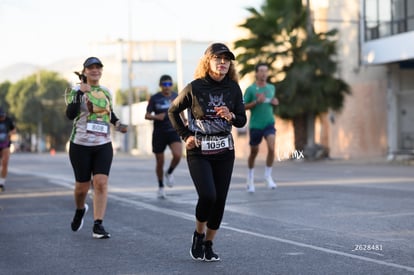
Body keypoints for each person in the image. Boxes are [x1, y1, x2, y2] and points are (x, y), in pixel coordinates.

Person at [168, 43, 247, 261]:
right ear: (207, 62)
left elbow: (242, 120)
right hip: (199, 150)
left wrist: (231, 115)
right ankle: (198, 233)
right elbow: (173, 110)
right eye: (218, 59)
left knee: (220, 200)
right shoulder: (195, 87)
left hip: (224, 150)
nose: (222, 63)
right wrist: (186, 136)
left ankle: (209, 243)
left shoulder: (233, 88)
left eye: (226, 59)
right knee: (208, 195)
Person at [65, 57, 127, 239]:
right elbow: (70, 115)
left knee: (100, 183)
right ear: (84, 71)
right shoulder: (75, 90)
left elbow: (110, 113)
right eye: (90, 68)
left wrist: (118, 123)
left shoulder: (106, 92)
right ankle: (79, 209)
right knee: (81, 188)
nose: (94, 70)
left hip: (103, 144)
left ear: (101, 70)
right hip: (80, 145)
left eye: (97, 67)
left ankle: (98, 224)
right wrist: (80, 94)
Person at [145, 75, 183, 199]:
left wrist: (184, 120)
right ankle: (161, 186)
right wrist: (156, 117)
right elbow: (147, 115)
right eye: (165, 84)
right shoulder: (155, 98)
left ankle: (170, 172)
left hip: (173, 131)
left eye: (169, 84)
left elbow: (180, 109)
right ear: (160, 85)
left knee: (178, 155)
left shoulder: (176, 96)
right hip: (159, 133)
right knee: (160, 161)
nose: (167, 87)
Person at [244, 62, 279, 193]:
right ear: (257, 73)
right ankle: (250, 178)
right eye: (262, 71)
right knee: (254, 152)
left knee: (271, 147)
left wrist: (275, 102)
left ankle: (267, 176)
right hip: (255, 125)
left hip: (269, 123)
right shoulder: (251, 89)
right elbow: (242, 106)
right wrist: (255, 102)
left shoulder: (271, 88)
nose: (264, 73)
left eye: (266, 71)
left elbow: (272, 101)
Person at [0, 107, 16, 192]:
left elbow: (14, 130)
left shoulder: (8, 120)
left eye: (3, 116)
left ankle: (1, 183)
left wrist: (10, 133)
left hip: (5, 144)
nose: (2, 118)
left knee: (5, 163)